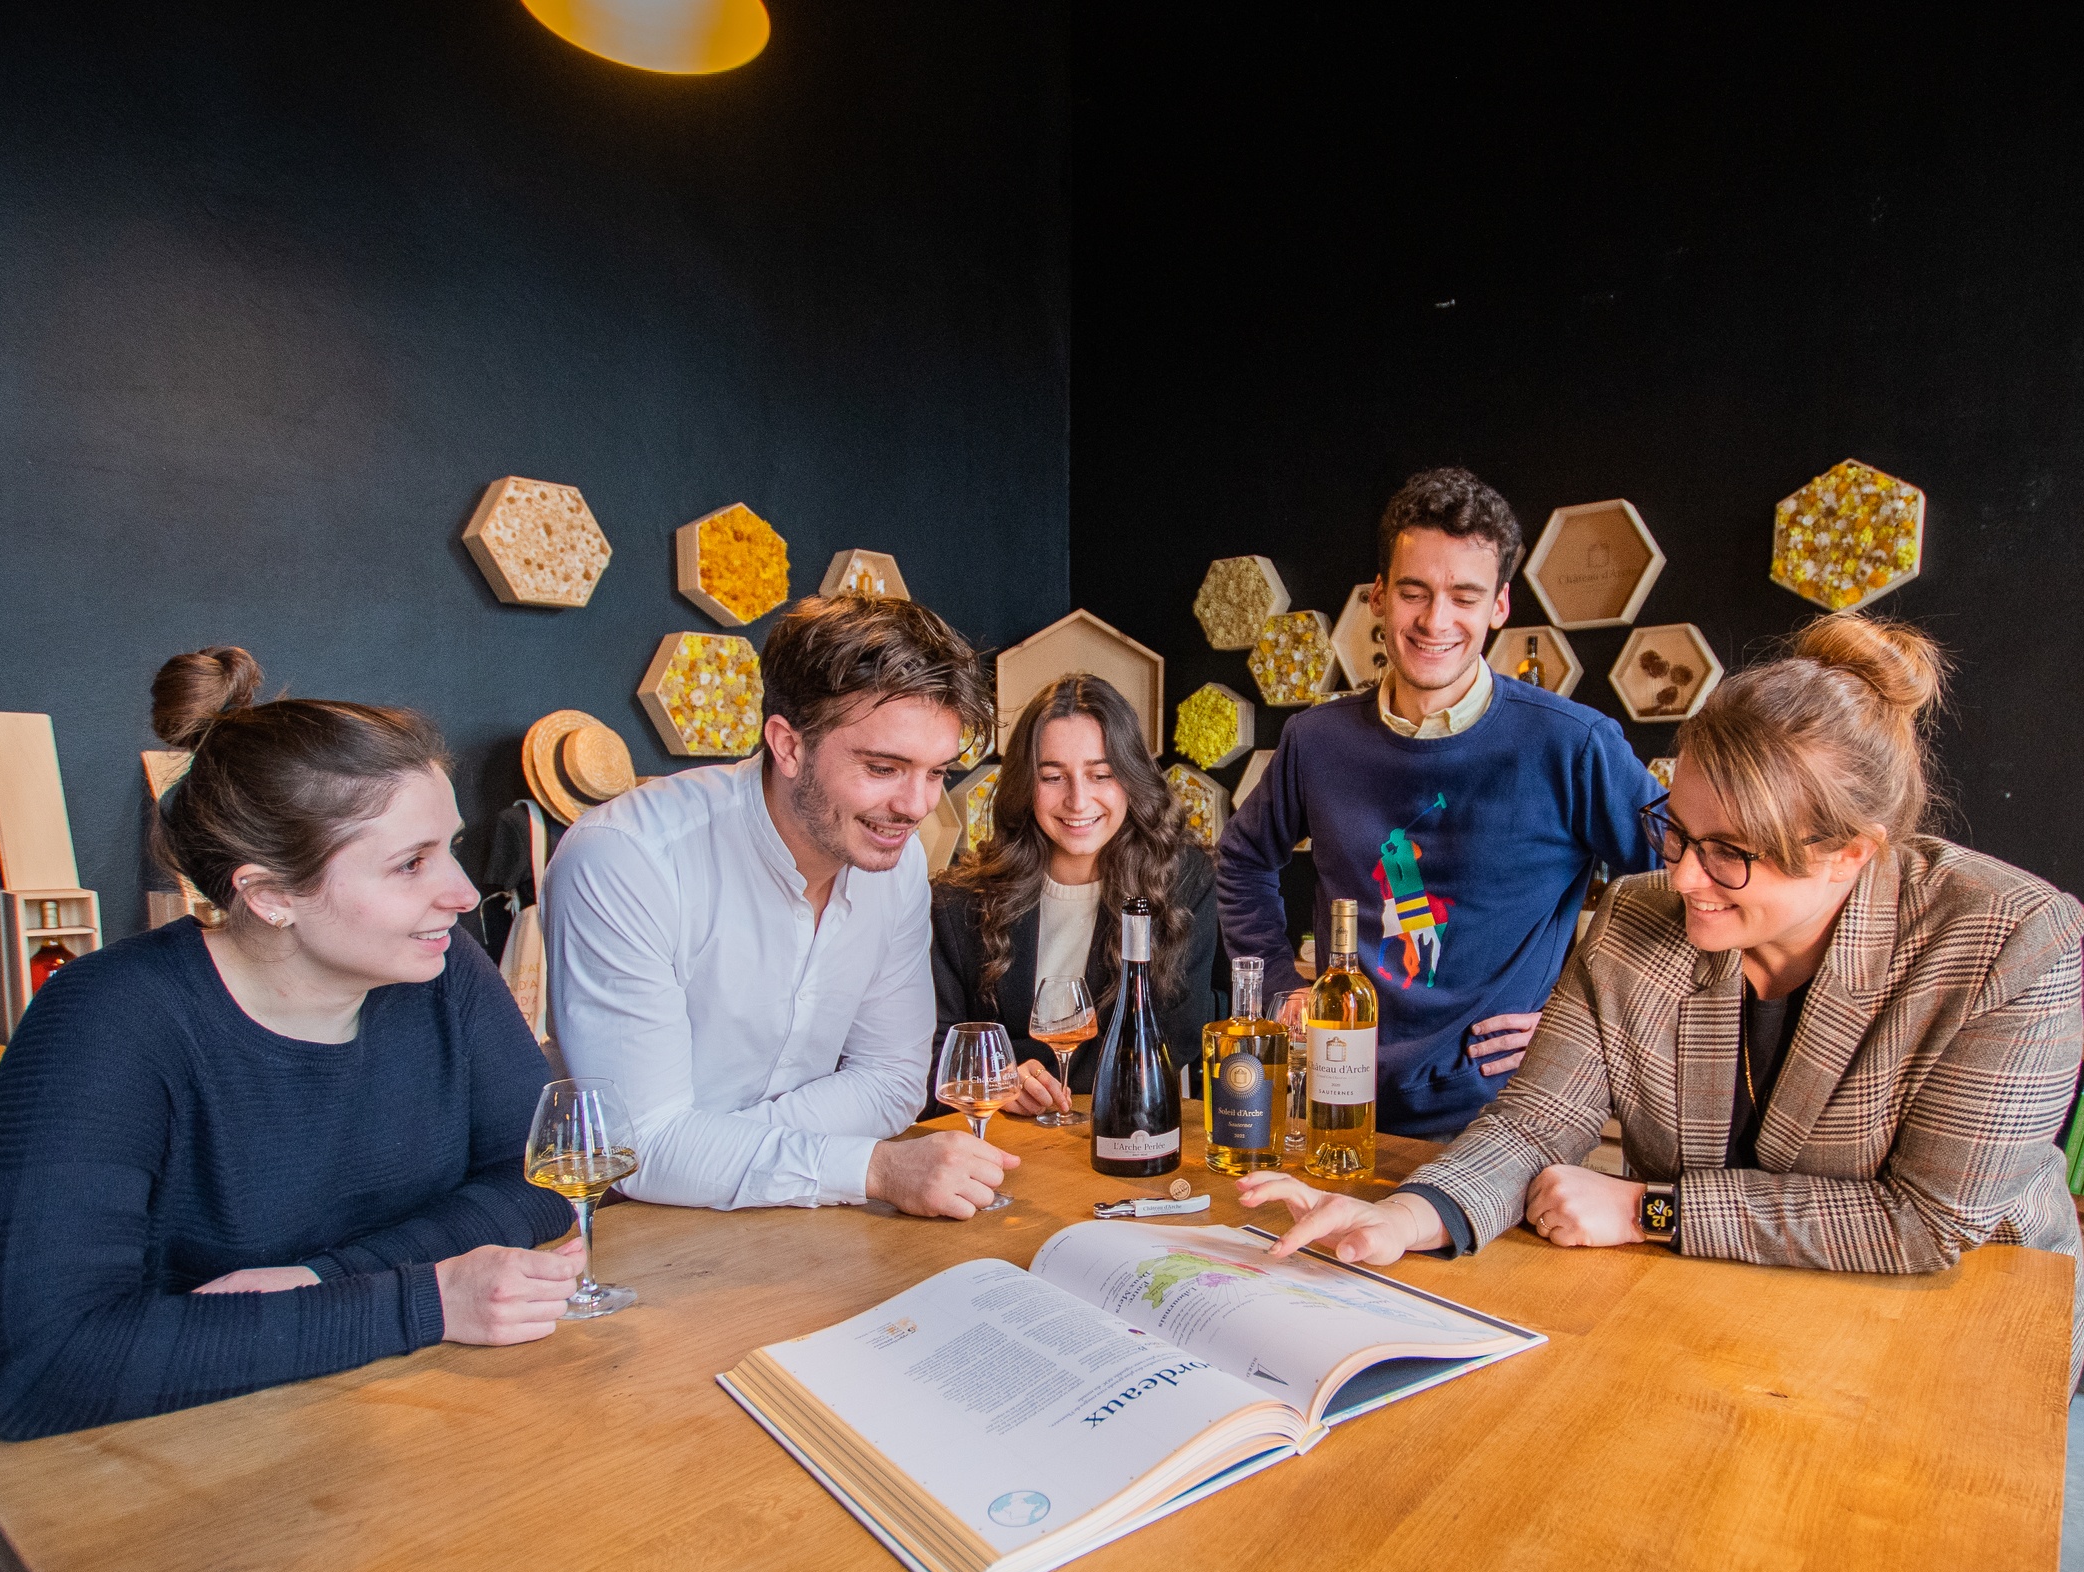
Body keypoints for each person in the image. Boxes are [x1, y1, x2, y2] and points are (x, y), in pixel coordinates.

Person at [1245, 615, 2084, 1319]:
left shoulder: (2011, 942)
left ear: (1849, 854)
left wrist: (1650, 1209)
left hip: (1963, 1311)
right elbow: (1533, 1124)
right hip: (1719, 1302)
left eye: (1730, 854)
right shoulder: (1639, 917)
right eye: (1677, 832)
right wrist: (1409, 1212)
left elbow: (1923, 1221)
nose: (1682, 877)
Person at [0, 649, 586, 1442]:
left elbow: (539, 1177)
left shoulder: (447, 968)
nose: (461, 893)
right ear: (269, 894)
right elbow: (42, 1366)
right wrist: (426, 1299)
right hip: (184, 1455)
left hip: (408, 1419)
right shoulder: (105, 1022)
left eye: (450, 847)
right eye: (411, 863)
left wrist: (325, 1280)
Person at [1216, 466, 1661, 1138]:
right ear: (1378, 596)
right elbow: (1243, 857)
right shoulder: (1316, 740)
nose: (1435, 620)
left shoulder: (1573, 744)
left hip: (1507, 1123)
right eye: (1415, 593)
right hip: (1338, 1107)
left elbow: (1690, 883)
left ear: (1500, 606)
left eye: (1464, 595)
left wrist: (1590, 1025)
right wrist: (1282, 985)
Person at [546, 594, 1015, 1217]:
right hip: (630, 1232)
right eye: (883, 767)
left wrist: (720, 1148)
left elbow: (895, 1080)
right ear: (787, 745)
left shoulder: (892, 861)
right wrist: (868, 1165)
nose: (917, 805)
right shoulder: (625, 859)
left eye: (936, 772)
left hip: (804, 1219)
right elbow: (643, 1147)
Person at [931, 673, 1219, 1119]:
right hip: (997, 1147)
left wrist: (1014, 1064)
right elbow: (936, 1051)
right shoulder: (958, 901)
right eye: (1052, 777)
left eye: (1101, 774)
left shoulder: (1181, 883)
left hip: (1124, 1130)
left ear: (1131, 778)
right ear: (1026, 785)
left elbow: (1170, 1038)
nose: (1078, 800)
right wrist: (1005, 1080)